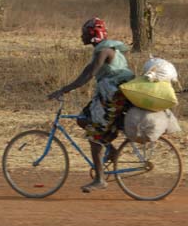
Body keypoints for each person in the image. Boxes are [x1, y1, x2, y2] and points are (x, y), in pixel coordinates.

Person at [48, 17, 134, 193]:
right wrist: (64, 89)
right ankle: (111, 150)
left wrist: (64, 90)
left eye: (84, 33)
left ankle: (100, 179)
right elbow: (86, 72)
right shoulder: (102, 51)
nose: (81, 36)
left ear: (93, 35)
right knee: (82, 119)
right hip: (109, 97)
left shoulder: (104, 51)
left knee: (94, 137)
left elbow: (89, 75)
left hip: (112, 98)